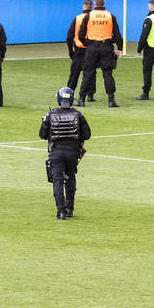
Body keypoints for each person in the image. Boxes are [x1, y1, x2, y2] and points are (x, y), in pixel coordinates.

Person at [39, 86, 92, 220]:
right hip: (72, 153)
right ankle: (69, 209)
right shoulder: (78, 115)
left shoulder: (51, 115)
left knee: (57, 181)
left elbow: (42, 134)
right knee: (70, 178)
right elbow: (87, 134)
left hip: (56, 153)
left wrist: (46, 122)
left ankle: (60, 211)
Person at [77, 0, 122, 107]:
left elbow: (81, 34)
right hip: (106, 47)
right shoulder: (110, 16)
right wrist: (119, 48)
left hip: (92, 48)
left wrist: (88, 44)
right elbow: (117, 34)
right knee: (108, 74)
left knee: (87, 73)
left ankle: (81, 100)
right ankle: (111, 101)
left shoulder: (89, 16)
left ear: (95, 4)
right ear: (104, 3)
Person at [65, 0, 95, 98]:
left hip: (79, 49)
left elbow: (69, 36)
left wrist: (70, 50)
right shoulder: (93, 19)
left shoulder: (77, 18)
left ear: (83, 7)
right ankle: (90, 94)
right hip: (91, 49)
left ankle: (69, 92)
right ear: (91, 7)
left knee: (74, 73)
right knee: (90, 73)